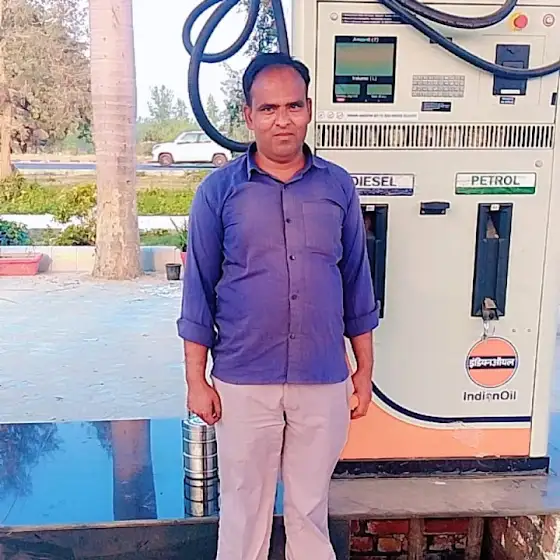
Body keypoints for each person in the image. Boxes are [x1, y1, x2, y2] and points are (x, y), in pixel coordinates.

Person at [177, 52, 379, 560]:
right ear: (248, 116)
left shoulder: (338, 186)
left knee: (310, 509)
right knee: (244, 510)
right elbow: (198, 289)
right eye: (268, 109)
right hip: (244, 380)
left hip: (322, 375)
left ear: (309, 109)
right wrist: (196, 380)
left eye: (293, 106)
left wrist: (364, 371)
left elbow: (356, 281)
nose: (282, 119)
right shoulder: (219, 192)